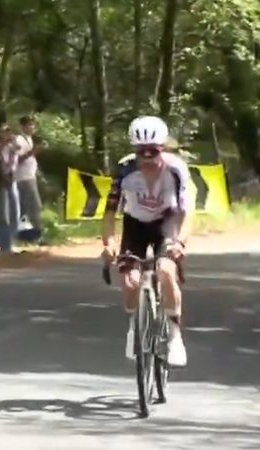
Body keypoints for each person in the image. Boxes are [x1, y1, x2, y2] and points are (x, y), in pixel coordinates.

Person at [101, 115, 194, 367]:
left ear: (162, 149)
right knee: (130, 281)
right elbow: (110, 212)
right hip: (136, 224)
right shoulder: (125, 170)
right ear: (135, 152)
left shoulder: (176, 170)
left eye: (153, 152)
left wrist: (180, 243)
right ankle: (135, 326)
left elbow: (187, 213)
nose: (148, 158)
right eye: (142, 153)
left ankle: (175, 336)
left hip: (167, 222)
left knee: (165, 270)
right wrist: (108, 242)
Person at [0, 124, 20, 254]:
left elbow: (16, 154)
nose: (6, 134)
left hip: (12, 181)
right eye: (3, 132)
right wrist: (3, 144)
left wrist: (12, 143)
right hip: (0, 182)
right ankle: (4, 246)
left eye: (8, 132)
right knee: (3, 215)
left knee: (15, 213)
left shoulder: (13, 148)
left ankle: (11, 241)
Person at [13, 115, 44, 242]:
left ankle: (24, 235)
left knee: (24, 207)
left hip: (30, 175)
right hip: (24, 178)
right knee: (35, 205)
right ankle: (38, 234)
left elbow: (31, 160)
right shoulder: (19, 140)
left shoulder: (29, 139)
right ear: (23, 126)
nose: (32, 127)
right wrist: (32, 152)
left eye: (33, 125)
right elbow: (17, 160)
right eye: (29, 125)